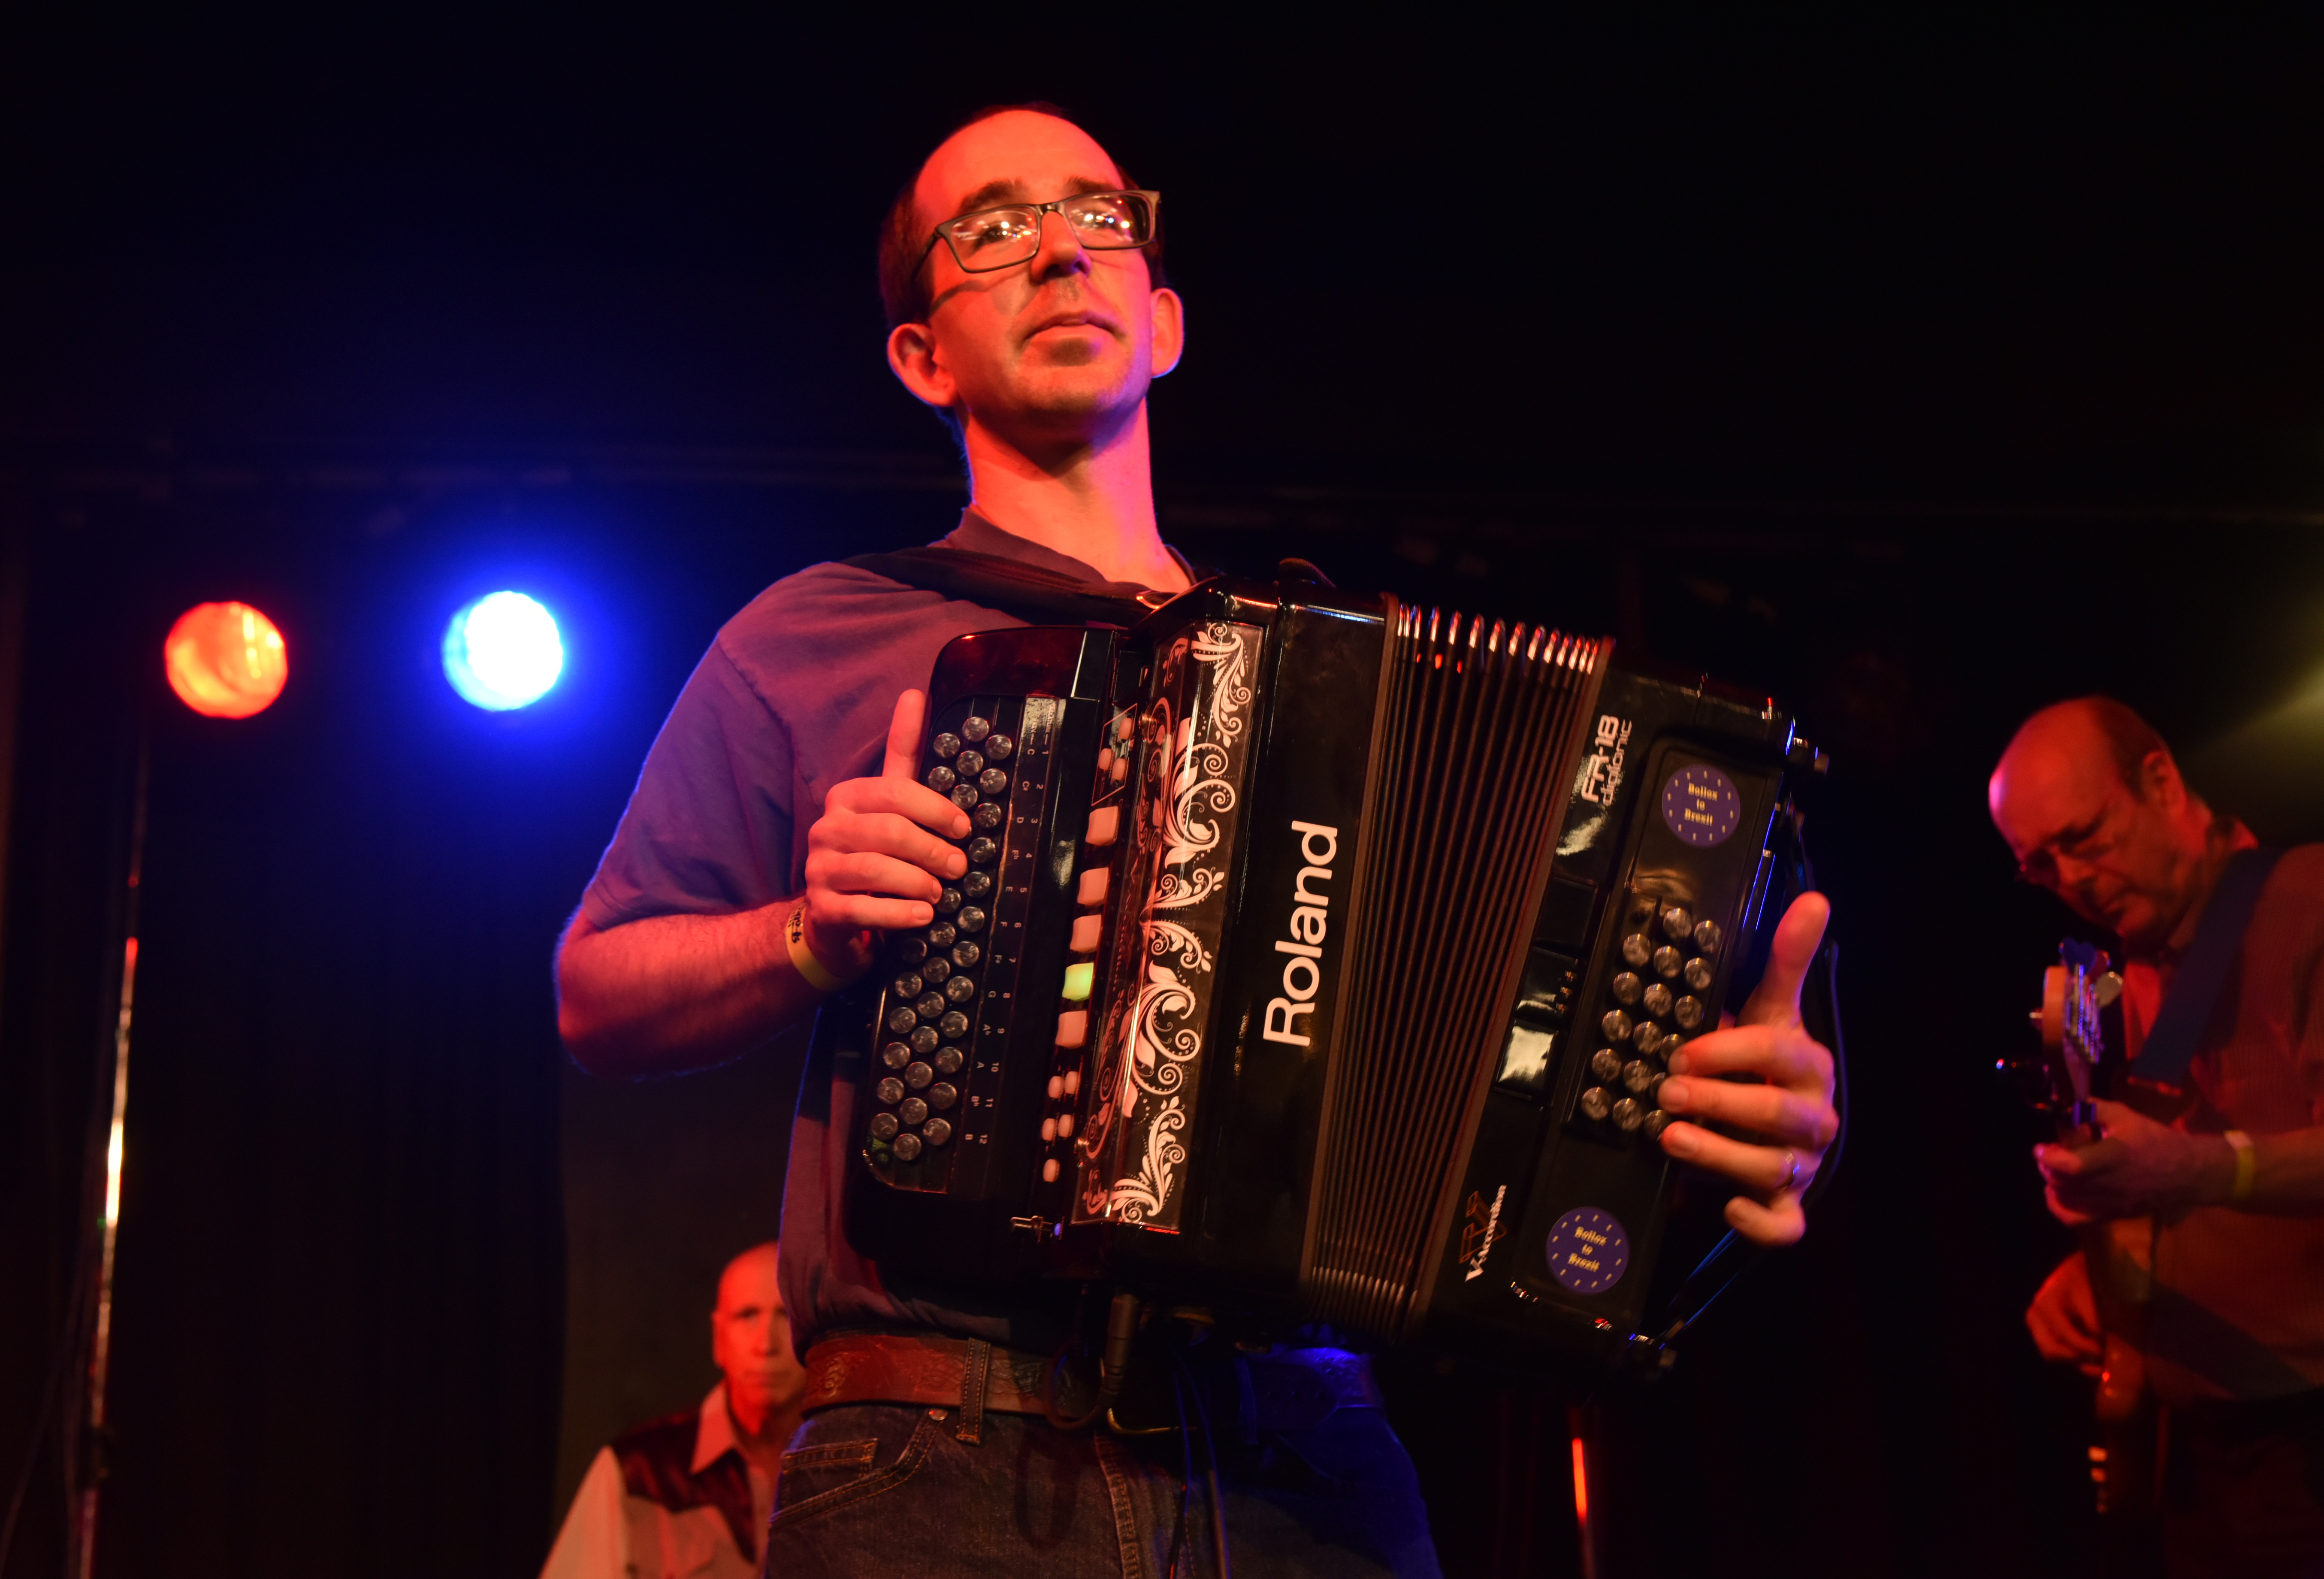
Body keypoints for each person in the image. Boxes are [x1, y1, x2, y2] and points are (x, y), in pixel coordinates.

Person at [556, 103, 1840, 1577]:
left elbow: (1552, 1076)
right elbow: (597, 991)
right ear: (921, 354)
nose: (1054, 253)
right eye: (989, 231)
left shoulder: (1350, 686)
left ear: (1161, 322)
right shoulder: (817, 633)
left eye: (1099, 218)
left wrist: (1749, 1119)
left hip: (1310, 1452)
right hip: (945, 1453)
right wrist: (806, 929)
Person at [1991, 697, 2324, 1578]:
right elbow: (2190, 1164)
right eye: (2041, 866)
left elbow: (2201, 1164)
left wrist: (2193, 1172)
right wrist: (2110, 1274)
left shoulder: (2307, 900)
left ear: (2162, 782)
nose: (2076, 878)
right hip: (2202, 1453)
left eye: (2085, 836)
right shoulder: (2139, 963)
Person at [543, 1242, 808, 1579]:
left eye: (787, 1316)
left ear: (817, 1334)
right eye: (747, 1316)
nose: (766, 1344)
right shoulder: (638, 1473)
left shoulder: (853, 1463)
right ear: (719, 1337)